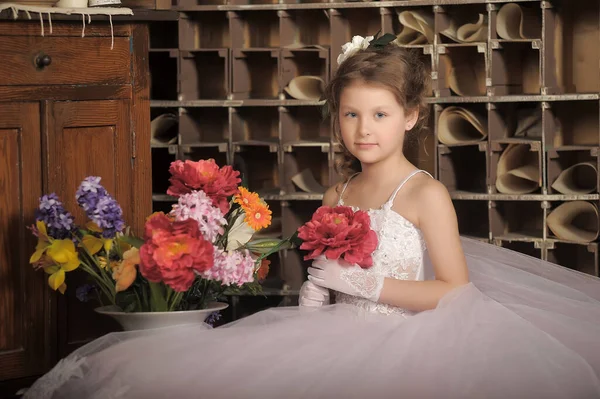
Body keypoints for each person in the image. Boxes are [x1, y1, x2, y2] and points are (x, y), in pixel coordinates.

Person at [25, 37, 600, 399]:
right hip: (329, 331)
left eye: (379, 113)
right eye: (350, 114)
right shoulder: (338, 189)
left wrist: (367, 283)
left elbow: (455, 291)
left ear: (412, 117)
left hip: (403, 338)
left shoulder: (424, 193)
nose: (363, 128)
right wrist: (315, 296)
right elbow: (321, 268)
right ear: (335, 119)